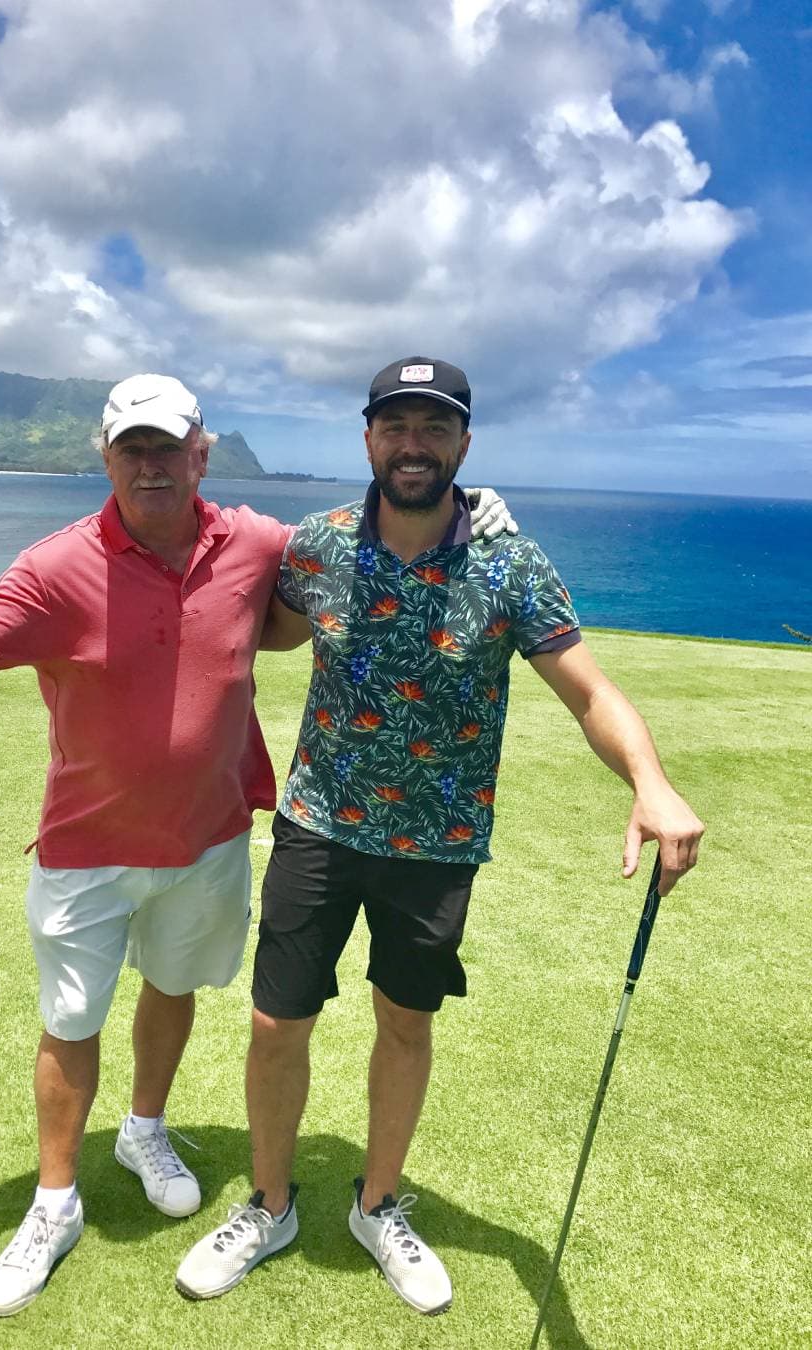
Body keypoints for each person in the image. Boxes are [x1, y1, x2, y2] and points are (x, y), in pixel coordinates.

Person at [0, 371, 516, 1319]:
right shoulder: (56, 565)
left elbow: (368, 535)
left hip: (209, 837)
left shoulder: (255, 543)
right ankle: (54, 1203)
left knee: (174, 988)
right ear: (106, 458)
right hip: (86, 843)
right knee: (71, 1021)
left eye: (168, 446)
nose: (151, 464)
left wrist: (472, 508)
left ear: (202, 452)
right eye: (131, 448)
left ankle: (144, 1129)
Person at [176, 356, 705, 1315]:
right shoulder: (318, 547)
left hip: (438, 843)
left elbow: (588, 691)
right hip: (318, 826)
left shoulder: (512, 563)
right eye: (396, 425)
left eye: (435, 428)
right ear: (368, 436)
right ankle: (269, 1202)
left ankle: (379, 1205)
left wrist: (652, 783)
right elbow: (259, 625)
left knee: (405, 1021)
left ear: (464, 443)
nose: (413, 444)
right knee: (273, 1022)